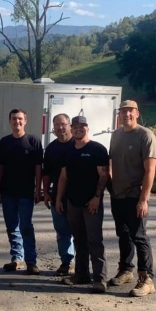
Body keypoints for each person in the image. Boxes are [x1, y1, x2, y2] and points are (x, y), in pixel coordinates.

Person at [108, 100, 156, 297]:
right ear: (119, 114)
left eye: (130, 111)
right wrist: (110, 185)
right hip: (118, 195)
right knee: (123, 234)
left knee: (139, 236)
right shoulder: (116, 135)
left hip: (135, 195)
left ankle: (147, 279)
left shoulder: (145, 136)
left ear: (137, 113)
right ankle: (126, 270)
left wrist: (143, 199)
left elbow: (150, 170)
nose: (126, 114)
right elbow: (111, 161)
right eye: (123, 111)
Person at [55, 116, 109, 293]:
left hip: (91, 203)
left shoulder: (97, 149)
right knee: (79, 240)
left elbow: (103, 176)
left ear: (88, 128)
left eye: (82, 126)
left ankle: (100, 279)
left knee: (94, 241)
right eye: (75, 126)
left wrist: (97, 198)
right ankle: (81, 274)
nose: (78, 129)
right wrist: (58, 199)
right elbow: (64, 176)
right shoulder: (68, 150)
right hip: (73, 202)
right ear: (71, 129)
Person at [0, 108, 43, 275]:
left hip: (26, 192)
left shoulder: (34, 141)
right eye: (14, 119)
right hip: (8, 192)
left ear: (25, 121)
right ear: (10, 122)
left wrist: (38, 189)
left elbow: (39, 168)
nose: (17, 122)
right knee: (12, 227)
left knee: (26, 226)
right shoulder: (4, 143)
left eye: (20, 119)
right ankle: (17, 258)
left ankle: (31, 261)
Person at [42, 113, 75, 276]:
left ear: (69, 125)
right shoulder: (51, 148)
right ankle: (67, 262)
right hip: (57, 195)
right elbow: (46, 173)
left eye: (63, 124)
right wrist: (46, 193)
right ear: (53, 128)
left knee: (80, 231)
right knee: (62, 231)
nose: (60, 128)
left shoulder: (78, 144)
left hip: (78, 194)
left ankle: (81, 264)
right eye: (57, 125)